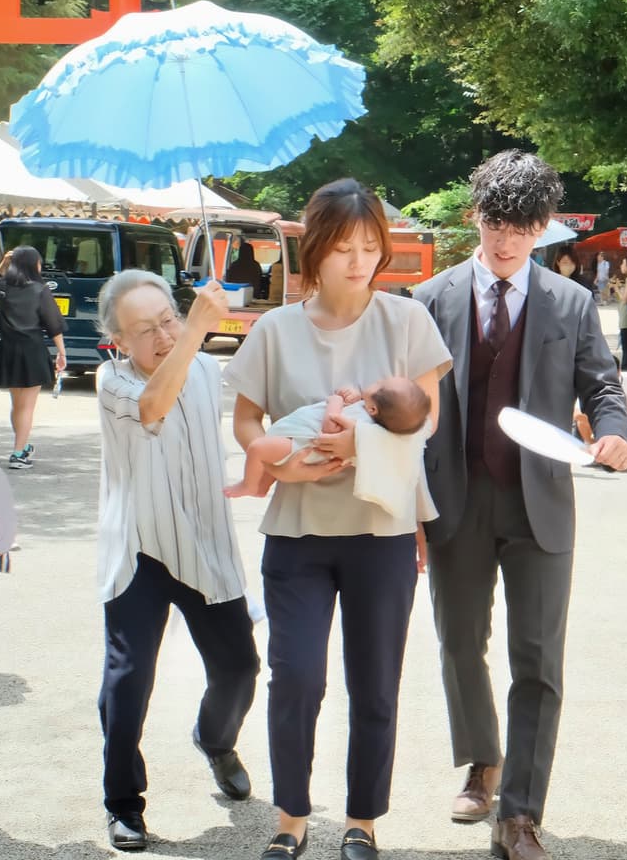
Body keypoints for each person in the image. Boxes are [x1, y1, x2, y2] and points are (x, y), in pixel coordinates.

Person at [413, 150, 627, 860]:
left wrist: (614, 431)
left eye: (523, 228)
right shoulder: (431, 299)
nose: (506, 242)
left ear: (544, 229)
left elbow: (602, 384)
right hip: (455, 497)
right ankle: (482, 761)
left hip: (540, 502)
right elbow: (409, 406)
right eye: (495, 225)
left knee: (537, 659)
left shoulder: (570, 303)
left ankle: (520, 814)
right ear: (476, 217)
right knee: (458, 642)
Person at [223, 177, 450, 860]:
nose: (359, 261)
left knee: (375, 683)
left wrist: (360, 446)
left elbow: (427, 421)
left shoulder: (407, 320)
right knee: (296, 676)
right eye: (344, 248)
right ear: (314, 251)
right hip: (297, 532)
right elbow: (246, 420)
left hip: (382, 531)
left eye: (370, 247)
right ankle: (290, 817)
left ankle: (362, 820)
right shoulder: (275, 328)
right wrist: (282, 467)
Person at [93, 271, 261, 853]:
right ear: (118, 341)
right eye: (145, 330)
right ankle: (123, 803)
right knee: (128, 679)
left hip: (204, 542)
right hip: (139, 546)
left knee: (240, 668)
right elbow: (153, 406)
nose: (163, 335)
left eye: (168, 319)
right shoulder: (112, 380)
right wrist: (193, 332)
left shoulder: (209, 370)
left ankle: (215, 740)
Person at [224, 377, 431, 499]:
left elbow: (330, 428)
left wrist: (336, 401)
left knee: (258, 448)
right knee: (267, 456)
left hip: (300, 446)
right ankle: (262, 486)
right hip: (299, 443)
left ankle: (249, 485)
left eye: (380, 384)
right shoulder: (368, 415)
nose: (377, 380)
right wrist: (353, 396)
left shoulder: (363, 422)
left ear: (373, 409)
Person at [0, 246, 66, 469]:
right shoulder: (40, 289)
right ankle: (17, 454)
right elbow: (53, 324)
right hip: (32, 350)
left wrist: (3, 263)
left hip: (8, 350)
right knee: (27, 407)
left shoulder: (3, 287)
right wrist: (62, 352)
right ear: (33, 265)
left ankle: (21, 446)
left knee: (17, 405)